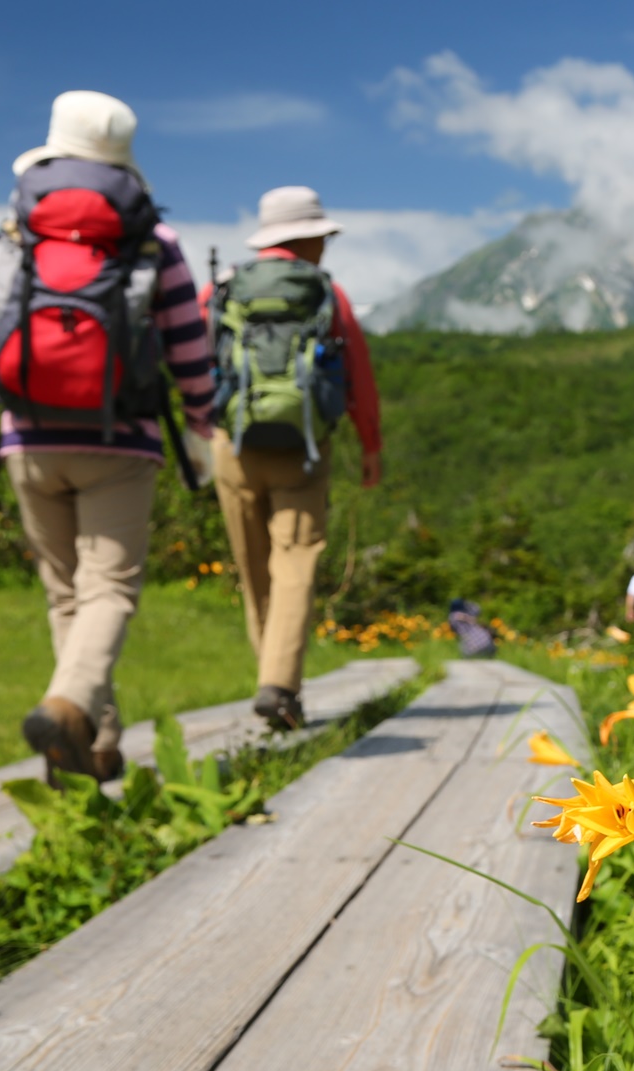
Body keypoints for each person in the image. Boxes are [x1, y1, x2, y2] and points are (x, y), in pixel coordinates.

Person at [0, 91, 216, 785]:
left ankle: (95, 743)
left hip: (26, 438)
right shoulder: (155, 243)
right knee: (110, 590)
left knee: (66, 594)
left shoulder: (12, 236)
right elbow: (188, 349)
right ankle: (69, 709)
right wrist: (204, 433)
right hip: (122, 441)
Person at [204, 187, 383, 730]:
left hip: (231, 442)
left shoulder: (223, 287)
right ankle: (279, 685)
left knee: (254, 567)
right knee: (296, 561)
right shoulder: (329, 295)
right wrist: (370, 445)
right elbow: (358, 376)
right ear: (306, 239)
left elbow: (194, 356)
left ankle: (273, 682)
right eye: (321, 238)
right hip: (303, 446)